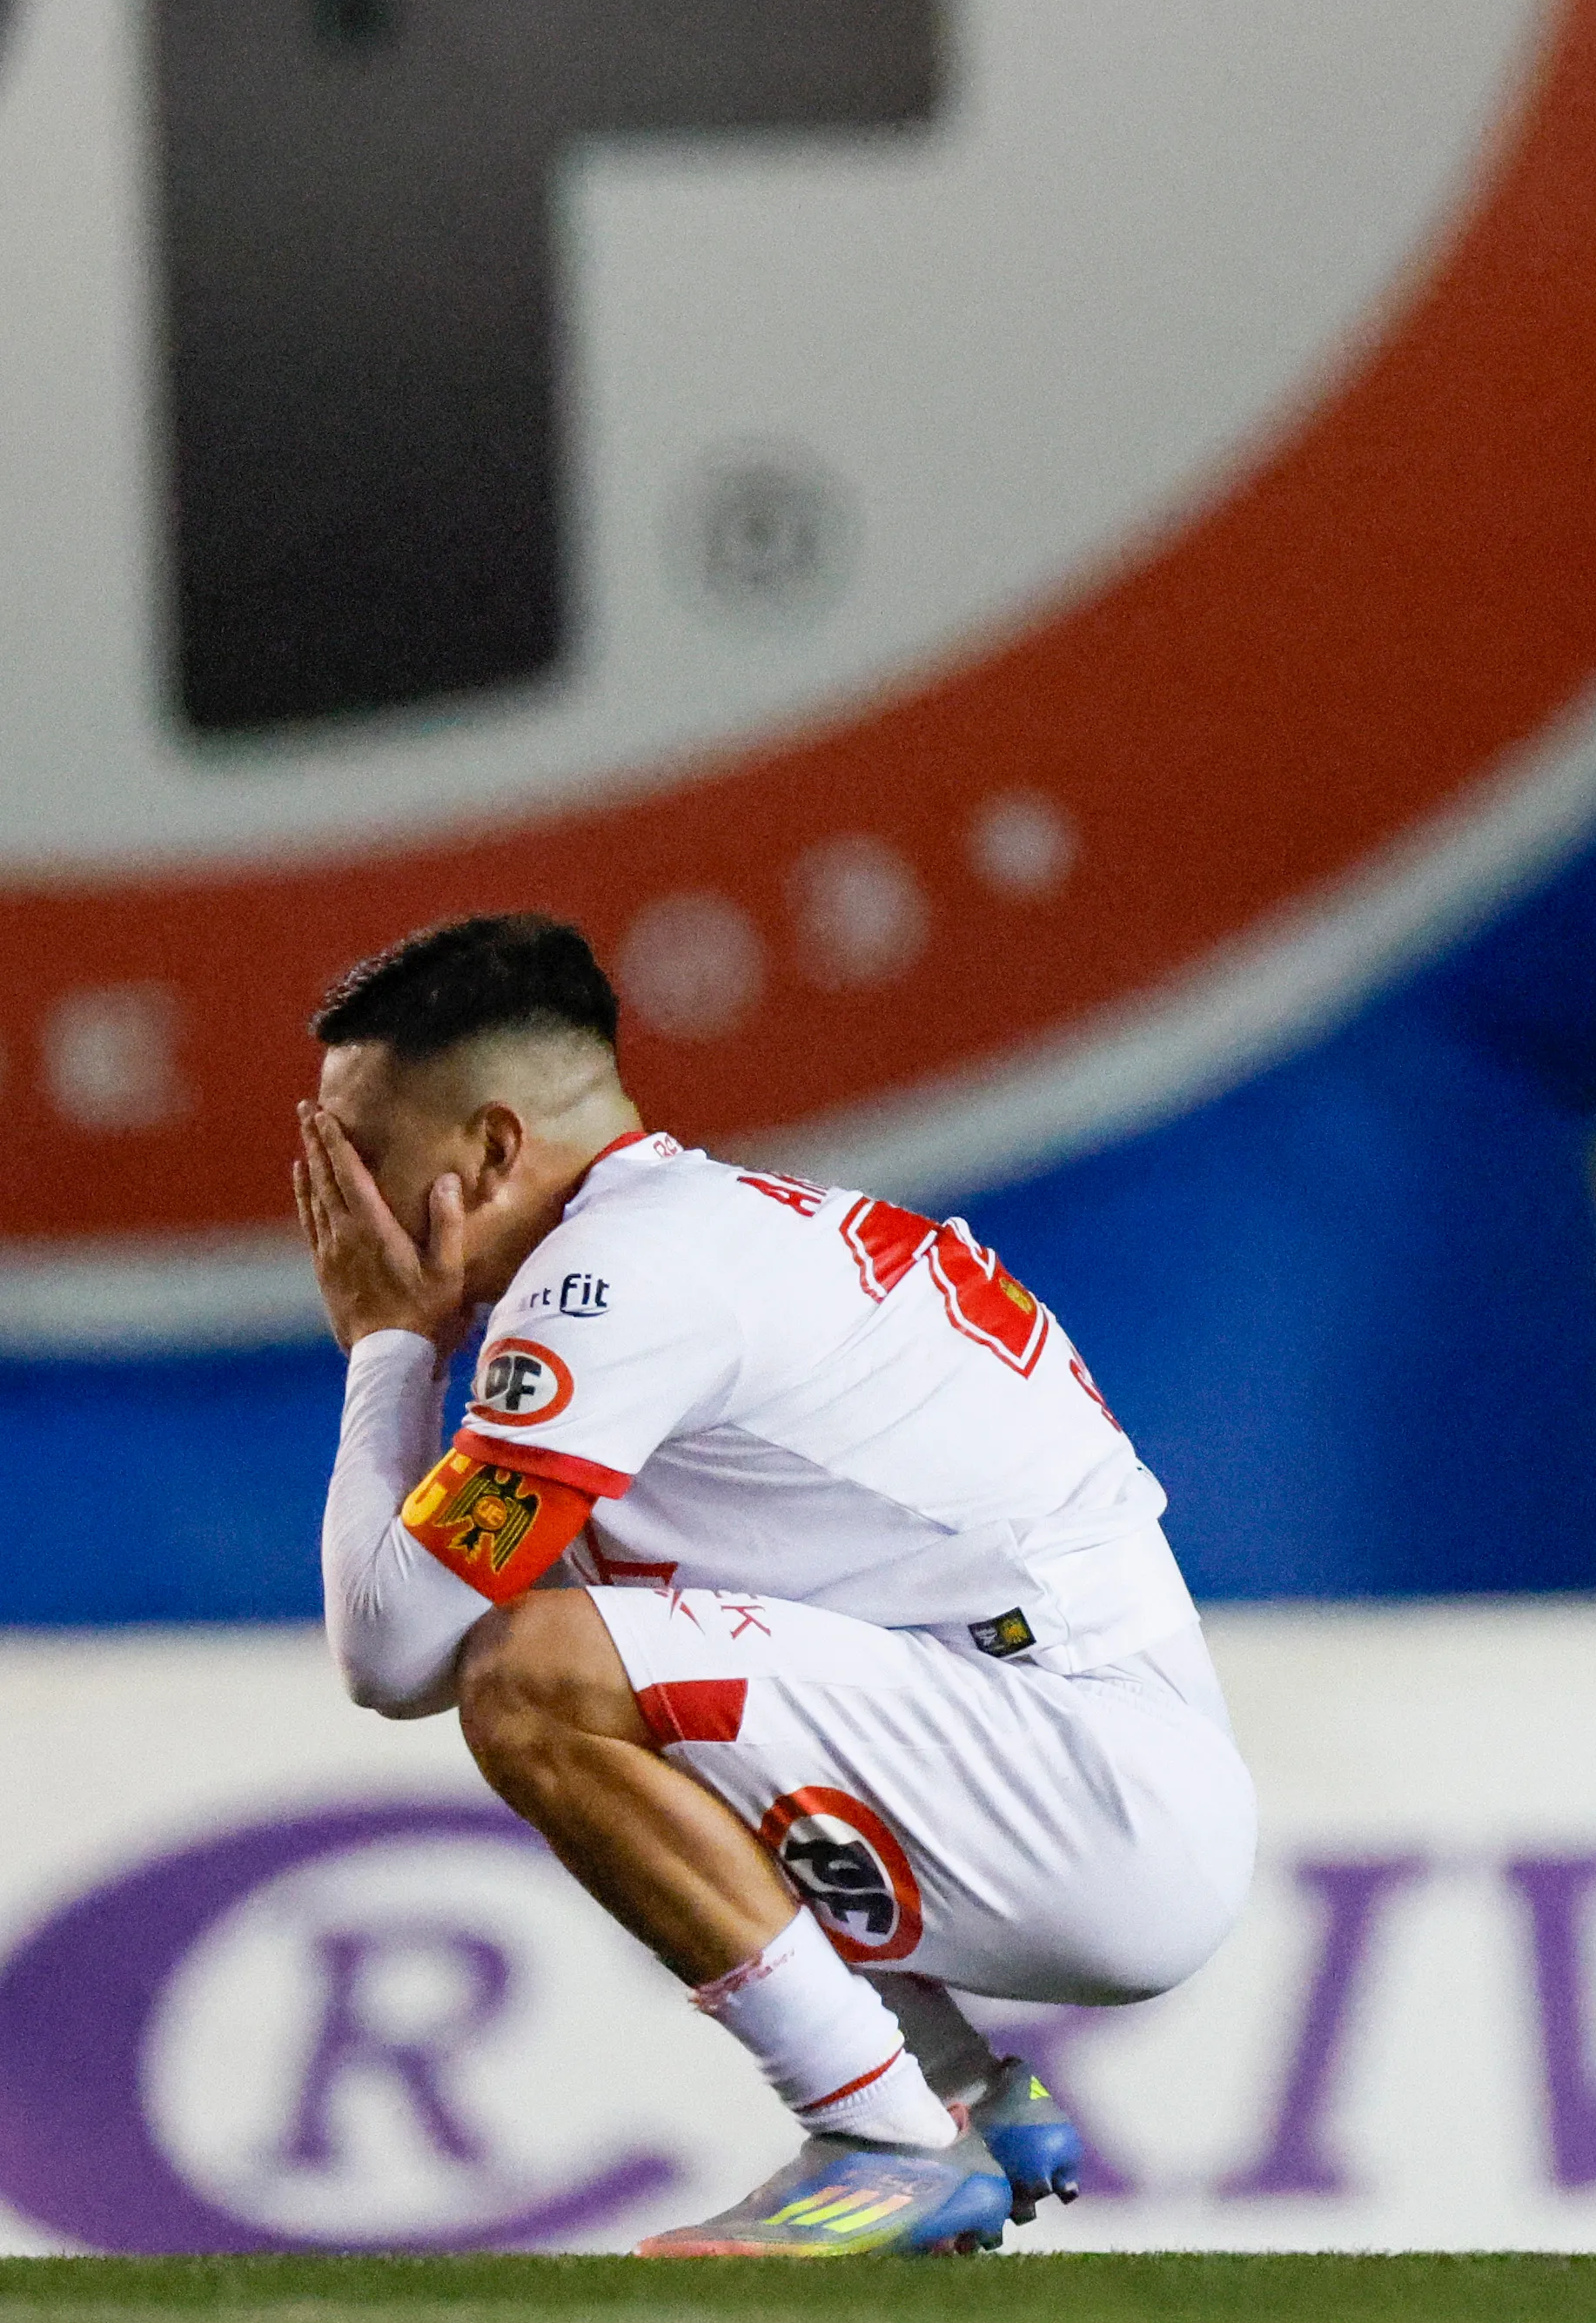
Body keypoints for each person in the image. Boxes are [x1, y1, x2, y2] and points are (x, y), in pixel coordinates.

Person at [292, 912, 1253, 2257]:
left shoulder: (605, 1284)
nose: (338, 1214)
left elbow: (389, 1652)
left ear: (493, 1149)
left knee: (534, 1671)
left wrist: (390, 1343)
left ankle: (881, 2135)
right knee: (577, 1581)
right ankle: (960, 2093)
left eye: (357, 1162)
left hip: (1093, 1792)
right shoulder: (702, 1232)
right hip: (1081, 1736)